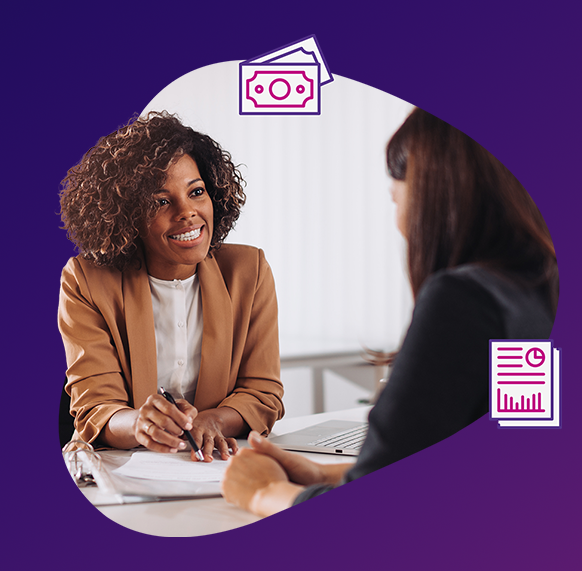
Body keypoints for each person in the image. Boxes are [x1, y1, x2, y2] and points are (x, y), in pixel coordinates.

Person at [221, 108, 558, 513]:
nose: (399, 221)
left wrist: (263, 492)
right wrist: (327, 475)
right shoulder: (542, 287)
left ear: (435, 196)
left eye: (396, 197)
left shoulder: (464, 302)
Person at [58, 111, 284, 461]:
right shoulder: (86, 280)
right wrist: (139, 424)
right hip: (121, 469)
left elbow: (262, 393)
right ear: (126, 214)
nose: (187, 212)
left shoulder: (248, 271)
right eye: (161, 201)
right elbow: (96, 407)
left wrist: (213, 421)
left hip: (213, 466)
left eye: (196, 192)